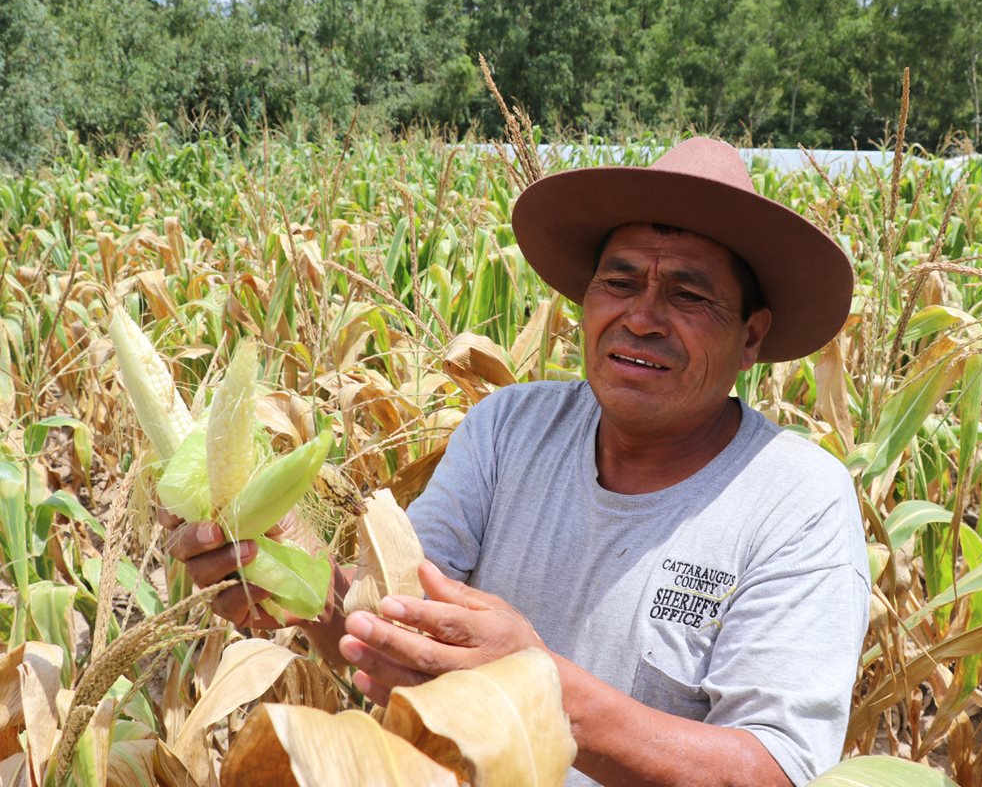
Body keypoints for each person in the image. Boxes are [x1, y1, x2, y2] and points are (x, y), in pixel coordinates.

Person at [161, 138, 870, 786]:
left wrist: (538, 689)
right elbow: (403, 619)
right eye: (620, 283)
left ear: (751, 337)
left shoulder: (796, 500)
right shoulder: (509, 429)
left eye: (688, 294)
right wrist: (289, 568)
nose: (643, 317)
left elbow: (776, 771)